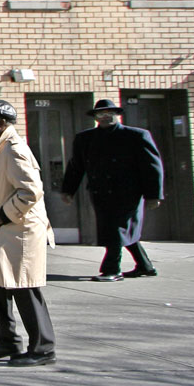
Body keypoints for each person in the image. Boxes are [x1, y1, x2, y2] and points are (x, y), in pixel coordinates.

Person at [0, 99, 57, 366]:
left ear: (1, 123)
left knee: (25, 288)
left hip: (17, 230)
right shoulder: (0, 147)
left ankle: (43, 347)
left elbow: (30, 192)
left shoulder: (14, 149)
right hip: (2, 231)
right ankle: (7, 341)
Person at [59, 98, 165, 282]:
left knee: (117, 230)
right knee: (119, 229)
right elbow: (76, 166)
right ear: (96, 117)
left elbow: (152, 167)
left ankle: (111, 270)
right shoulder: (85, 138)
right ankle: (144, 266)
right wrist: (68, 190)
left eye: (110, 113)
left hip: (128, 193)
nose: (106, 117)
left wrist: (154, 195)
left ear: (117, 115)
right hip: (100, 193)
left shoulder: (137, 136)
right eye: (101, 114)